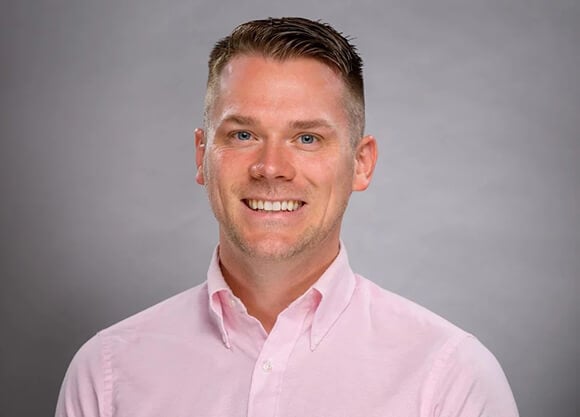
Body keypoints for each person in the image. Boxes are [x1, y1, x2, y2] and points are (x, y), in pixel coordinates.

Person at [55, 17, 519, 417]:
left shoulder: (451, 379)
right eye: (242, 135)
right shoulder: (108, 373)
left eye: (308, 139)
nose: (271, 167)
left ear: (361, 163)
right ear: (202, 156)